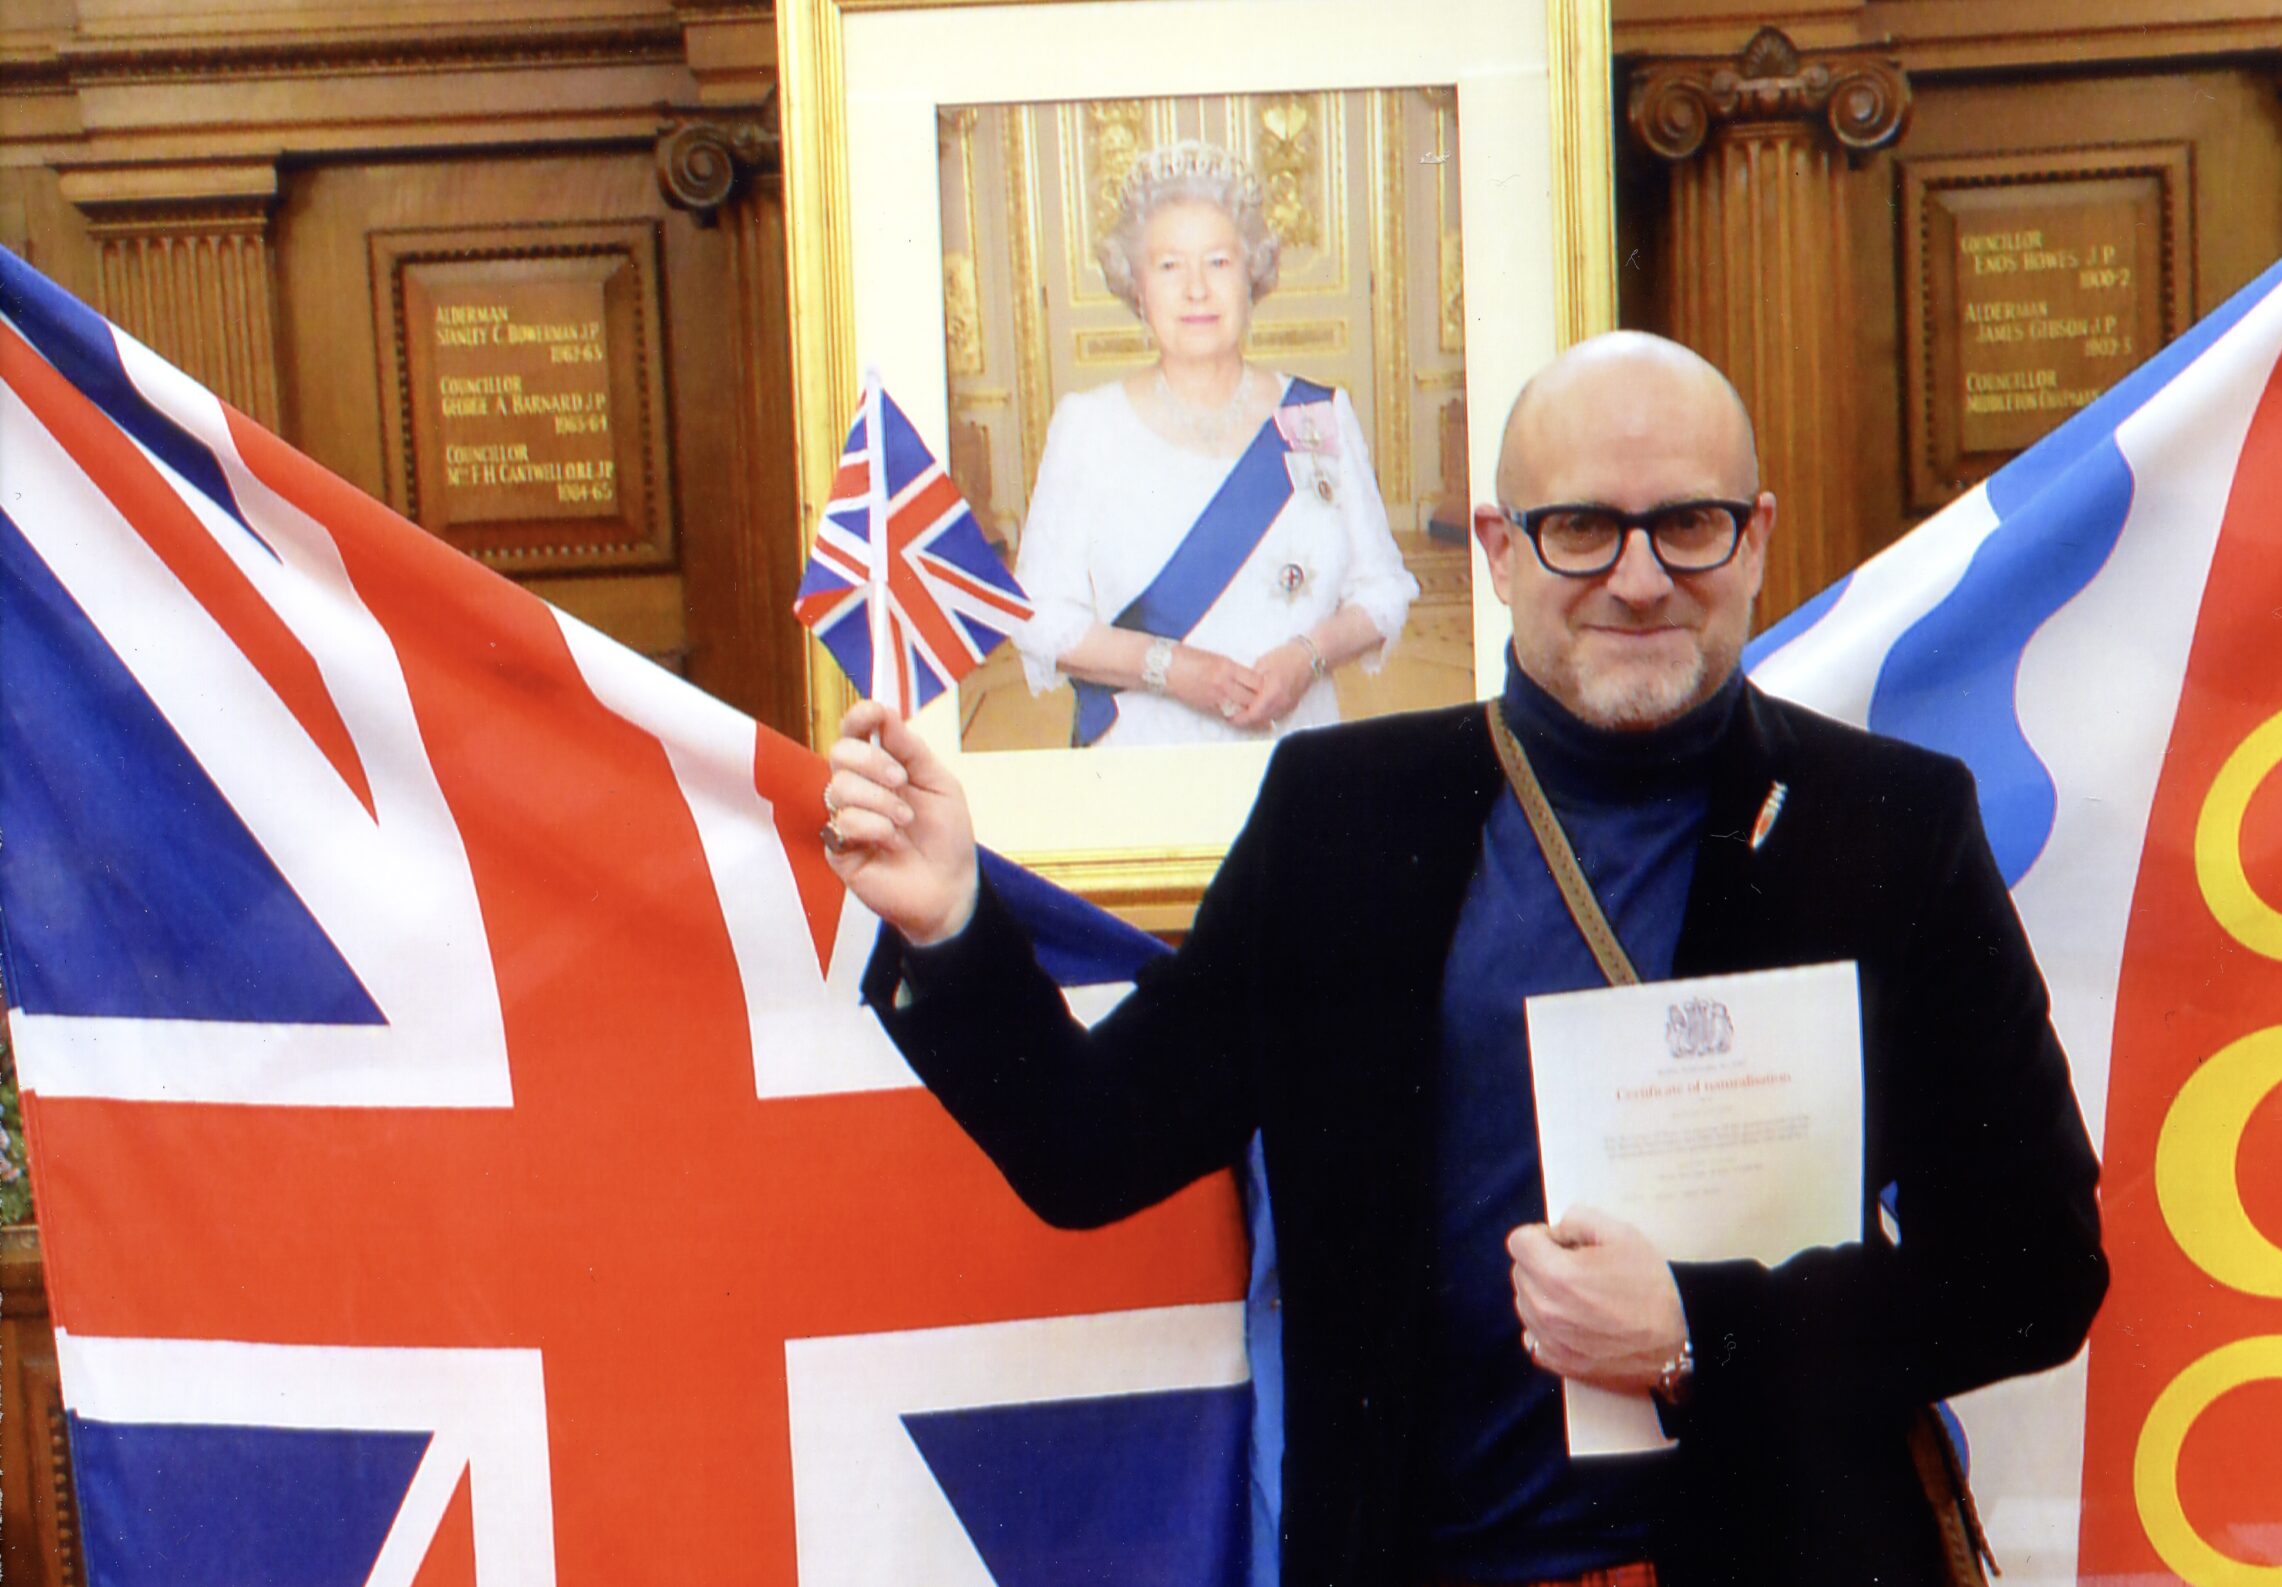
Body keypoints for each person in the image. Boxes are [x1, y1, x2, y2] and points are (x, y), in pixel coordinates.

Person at [822, 331, 2107, 1586]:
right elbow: (1088, 1149)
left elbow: (2037, 1274)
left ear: (1756, 535)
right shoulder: (1342, 816)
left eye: (1690, 525)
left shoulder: (1887, 825)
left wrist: (1703, 1332)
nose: (1642, 579)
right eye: (1582, 529)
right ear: (1498, 549)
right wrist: (950, 924)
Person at [1009, 141, 1418, 746]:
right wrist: (1171, 669)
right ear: (1138, 289)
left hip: (1296, 753)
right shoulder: (1088, 427)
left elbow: (1383, 590)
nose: (1196, 289)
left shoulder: (1317, 415)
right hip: (1146, 757)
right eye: (1170, 266)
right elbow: (1039, 617)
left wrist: (1309, 655)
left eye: (1220, 262)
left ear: (1252, 277)